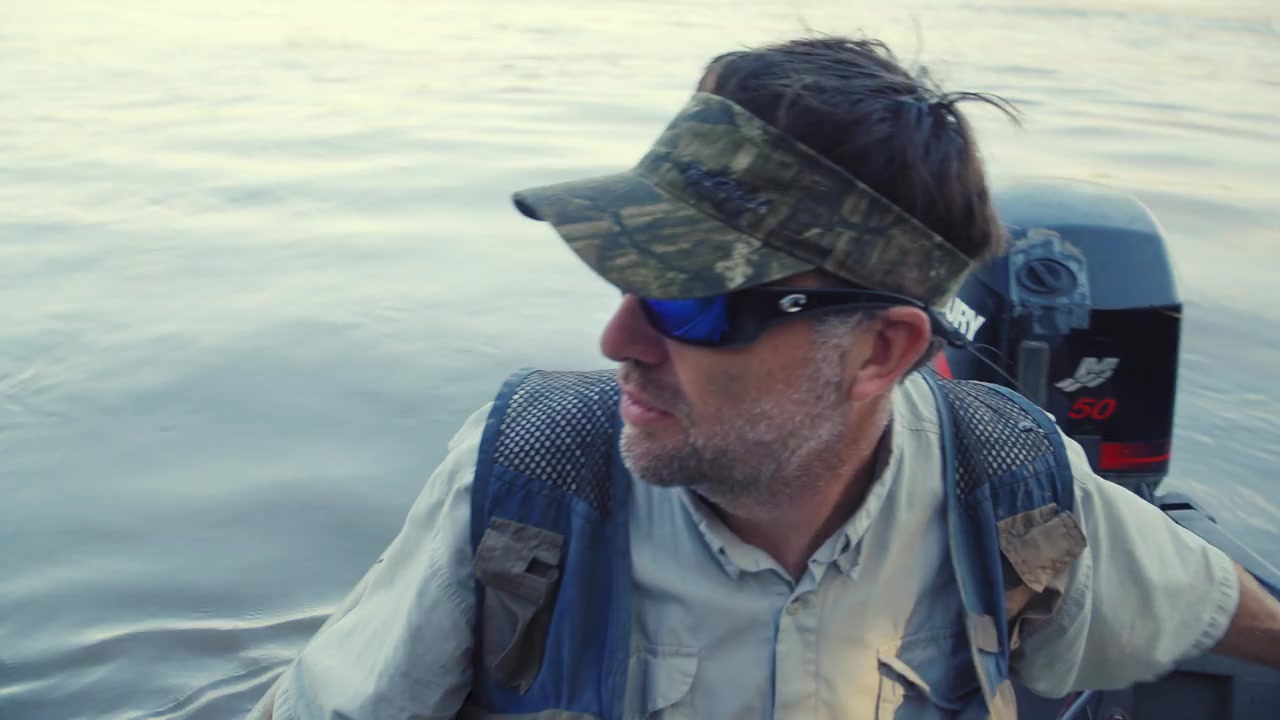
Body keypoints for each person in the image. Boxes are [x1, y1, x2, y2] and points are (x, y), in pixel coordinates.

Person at [257, 36, 1280, 720]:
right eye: (629, 278)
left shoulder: (1014, 486)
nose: (617, 338)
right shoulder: (527, 480)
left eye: (693, 304)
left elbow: (1222, 614)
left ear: (880, 351)